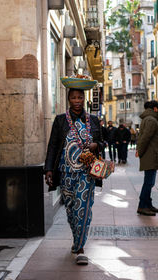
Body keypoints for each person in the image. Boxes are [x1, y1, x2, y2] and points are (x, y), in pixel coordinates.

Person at [44, 87, 103, 265]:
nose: (77, 100)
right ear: (69, 99)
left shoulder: (92, 119)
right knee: (70, 210)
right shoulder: (61, 120)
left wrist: (95, 145)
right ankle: (76, 239)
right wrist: (48, 169)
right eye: (73, 97)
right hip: (66, 172)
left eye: (80, 97)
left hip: (87, 173)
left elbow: (101, 142)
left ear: (84, 98)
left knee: (83, 208)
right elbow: (53, 145)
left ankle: (80, 248)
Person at [136, 100, 158, 216]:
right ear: (155, 108)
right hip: (151, 155)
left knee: (149, 182)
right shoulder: (151, 120)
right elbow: (145, 138)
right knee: (148, 182)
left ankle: (147, 204)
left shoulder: (148, 119)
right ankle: (142, 206)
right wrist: (140, 151)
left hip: (151, 154)